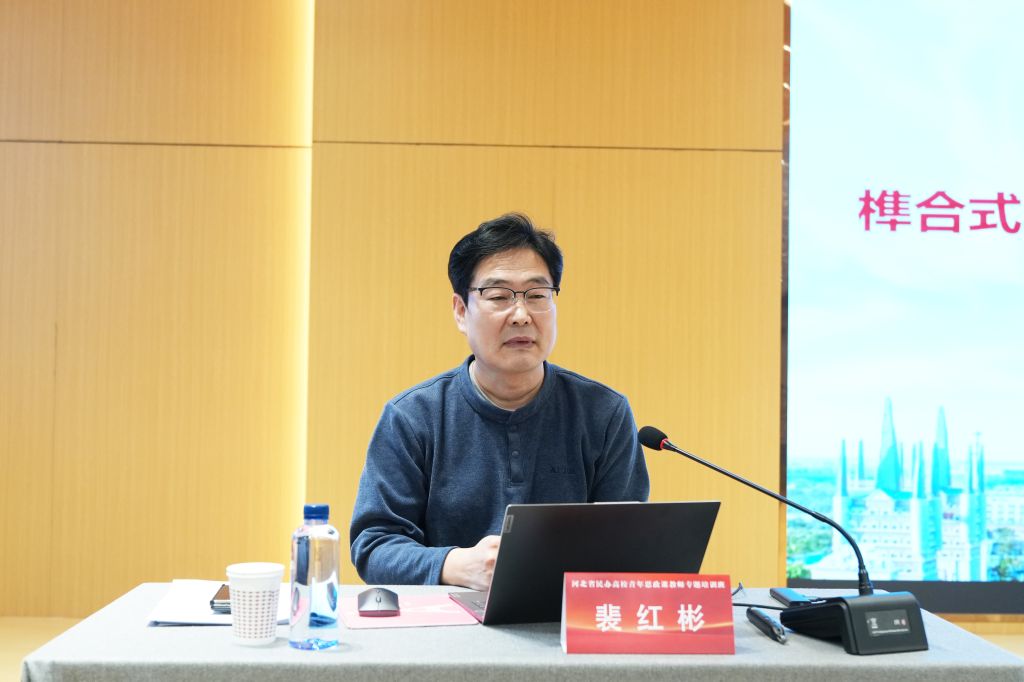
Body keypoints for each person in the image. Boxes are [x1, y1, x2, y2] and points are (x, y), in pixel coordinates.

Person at [349, 213, 650, 590]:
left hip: (566, 619)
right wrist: (454, 564)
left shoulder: (603, 413)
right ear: (461, 312)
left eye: (537, 296)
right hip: (446, 620)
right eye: (499, 297)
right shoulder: (412, 417)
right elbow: (374, 546)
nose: (521, 315)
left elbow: (627, 543)